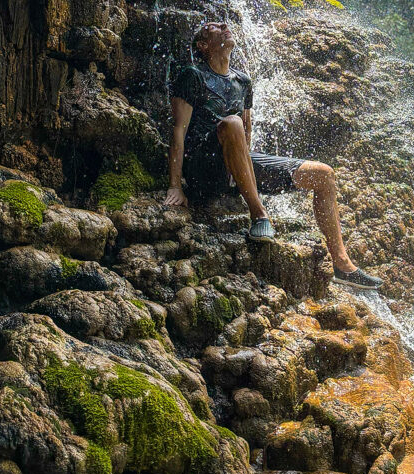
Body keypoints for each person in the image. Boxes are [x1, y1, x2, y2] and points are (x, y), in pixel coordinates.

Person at [163, 19, 383, 290]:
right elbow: (177, 132)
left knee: (323, 175)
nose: (223, 24)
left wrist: (244, 177)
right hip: (203, 169)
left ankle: (342, 263)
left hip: (234, 168)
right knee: (231, 124)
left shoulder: (242, 81)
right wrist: (176, 185)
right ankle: (259, 215)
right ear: (203, 45)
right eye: (213, 26)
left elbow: (247, 136)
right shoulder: (193, 75)